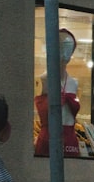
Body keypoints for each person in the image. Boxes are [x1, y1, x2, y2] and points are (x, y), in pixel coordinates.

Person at [34, 28, 80, 157]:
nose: (65, 53)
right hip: (49, 139)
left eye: (69, 48)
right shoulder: (43, 80)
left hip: (70, 140)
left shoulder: (74, 83)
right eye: (61, 47)